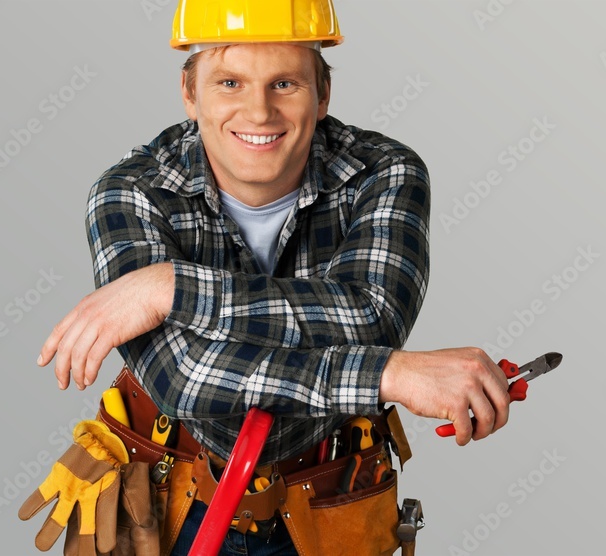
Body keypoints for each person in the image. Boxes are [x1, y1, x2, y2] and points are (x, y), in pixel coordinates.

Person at [35, 1, 512, 553]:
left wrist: (172, 288)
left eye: (284, 83)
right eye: (230, 82)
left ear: (323, 93)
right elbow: (184, 376)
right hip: (167, 495)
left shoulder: (384, 173)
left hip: (327, 494)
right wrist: (387, 376)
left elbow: (370, 317)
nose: (258, 112)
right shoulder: (132, 192)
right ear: (190, 93)